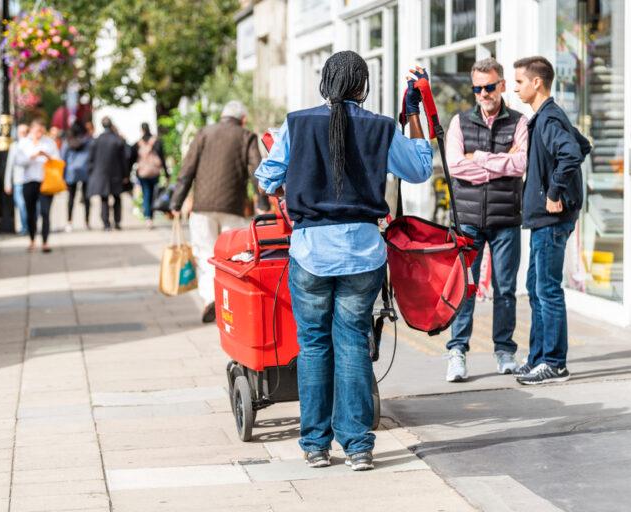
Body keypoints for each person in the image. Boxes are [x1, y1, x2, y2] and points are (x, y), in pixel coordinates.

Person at [255, 51, 432, 471]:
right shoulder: (381, 128)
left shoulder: (296, 123)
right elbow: (421, 169)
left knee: (314, 346)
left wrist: (288, 195)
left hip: (310, 252)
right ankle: (358, 447)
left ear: (325, 82)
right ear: (362, 86)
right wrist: (415, 119)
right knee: (353, 343)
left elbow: (266, 176)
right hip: (362, 252)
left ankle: (315, 445)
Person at [443, 58, 528, 382]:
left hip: (506, 217)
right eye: (477, 88)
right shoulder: (459, 122)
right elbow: (454, 166)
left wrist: (477, 158)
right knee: (464, 288)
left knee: (505, 288)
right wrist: (500, 161)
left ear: (502, 85)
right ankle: (457, 352)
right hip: (468, 219)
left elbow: (520, 165)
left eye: (489, 87)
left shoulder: (519, 122)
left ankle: (505, 351)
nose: (483, 94)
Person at [512, 56, 591, 385]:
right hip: (542, 221)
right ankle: (537, 359)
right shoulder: (546, 116)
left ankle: (555, 363)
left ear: (536, 83)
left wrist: (555, 192)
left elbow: (572, 153)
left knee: (547, 290)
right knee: (535, 288)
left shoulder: (548, 118)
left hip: (550, 220)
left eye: (518, 82)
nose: (515, 88)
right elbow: (582, 145)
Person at [170, 100, 261, 323]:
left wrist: (176, 203)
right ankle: (230, 301)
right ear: (243, 119)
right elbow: (257, 171)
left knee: (205, 253)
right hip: (233, 206)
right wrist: (264, 204)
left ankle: (211, 298)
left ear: (222, 116)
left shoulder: (203, 133)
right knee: (233, 257)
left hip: (202, 207)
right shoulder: (246, 136)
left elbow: (187, 170)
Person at [14, 119, 60, 252]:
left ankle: (45, 242)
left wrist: (47, 156)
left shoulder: (49, 142)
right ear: (32, 130)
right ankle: (32, 240)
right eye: (36, 131)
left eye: (41, 131)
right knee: (30, 212)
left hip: (46, 181)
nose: (39, 134)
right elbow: (19, 161)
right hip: (29, 181)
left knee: (45, 212)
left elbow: (58, 160)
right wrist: (32, 156)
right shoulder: (23, 143)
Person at [88, 117, 128, 230]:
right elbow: (123, 159)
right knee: (117, 198)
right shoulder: (117, 140)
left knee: (104, 199)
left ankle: (106, 223)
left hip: (101, 174)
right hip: (116, 173)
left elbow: (91, 159)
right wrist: (125, 174)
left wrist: (91, 172)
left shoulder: (96, 140)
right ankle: (117, 221)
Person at [131, 122, 168, 229]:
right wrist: (166, 173)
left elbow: (132, 158)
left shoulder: (138, 143)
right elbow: (162, 158)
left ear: (141, 130)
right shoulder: (157, 141)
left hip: (142, 173)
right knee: (152, 194)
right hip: (154, 172)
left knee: (146, 193)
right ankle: (150, 215)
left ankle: (148, 217)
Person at [62, 121, 92, 231]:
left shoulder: (67, 142)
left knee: (71, 198)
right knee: (87, 198)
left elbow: (63, 158)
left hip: (71, 173)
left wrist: (63, 175)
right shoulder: (88, 141)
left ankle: (69, 222)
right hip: (85, 172)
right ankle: (87, 222)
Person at [3, 123, 29, 235]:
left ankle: (29, 226)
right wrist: (7, 183)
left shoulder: (31, 145)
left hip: (30, 180)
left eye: (24, 132)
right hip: (18, 181)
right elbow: (10, 166)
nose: (22, 135)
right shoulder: (15, 146)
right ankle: (25, 227)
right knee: (21, 205)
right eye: (20, 132)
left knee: (31, 206)